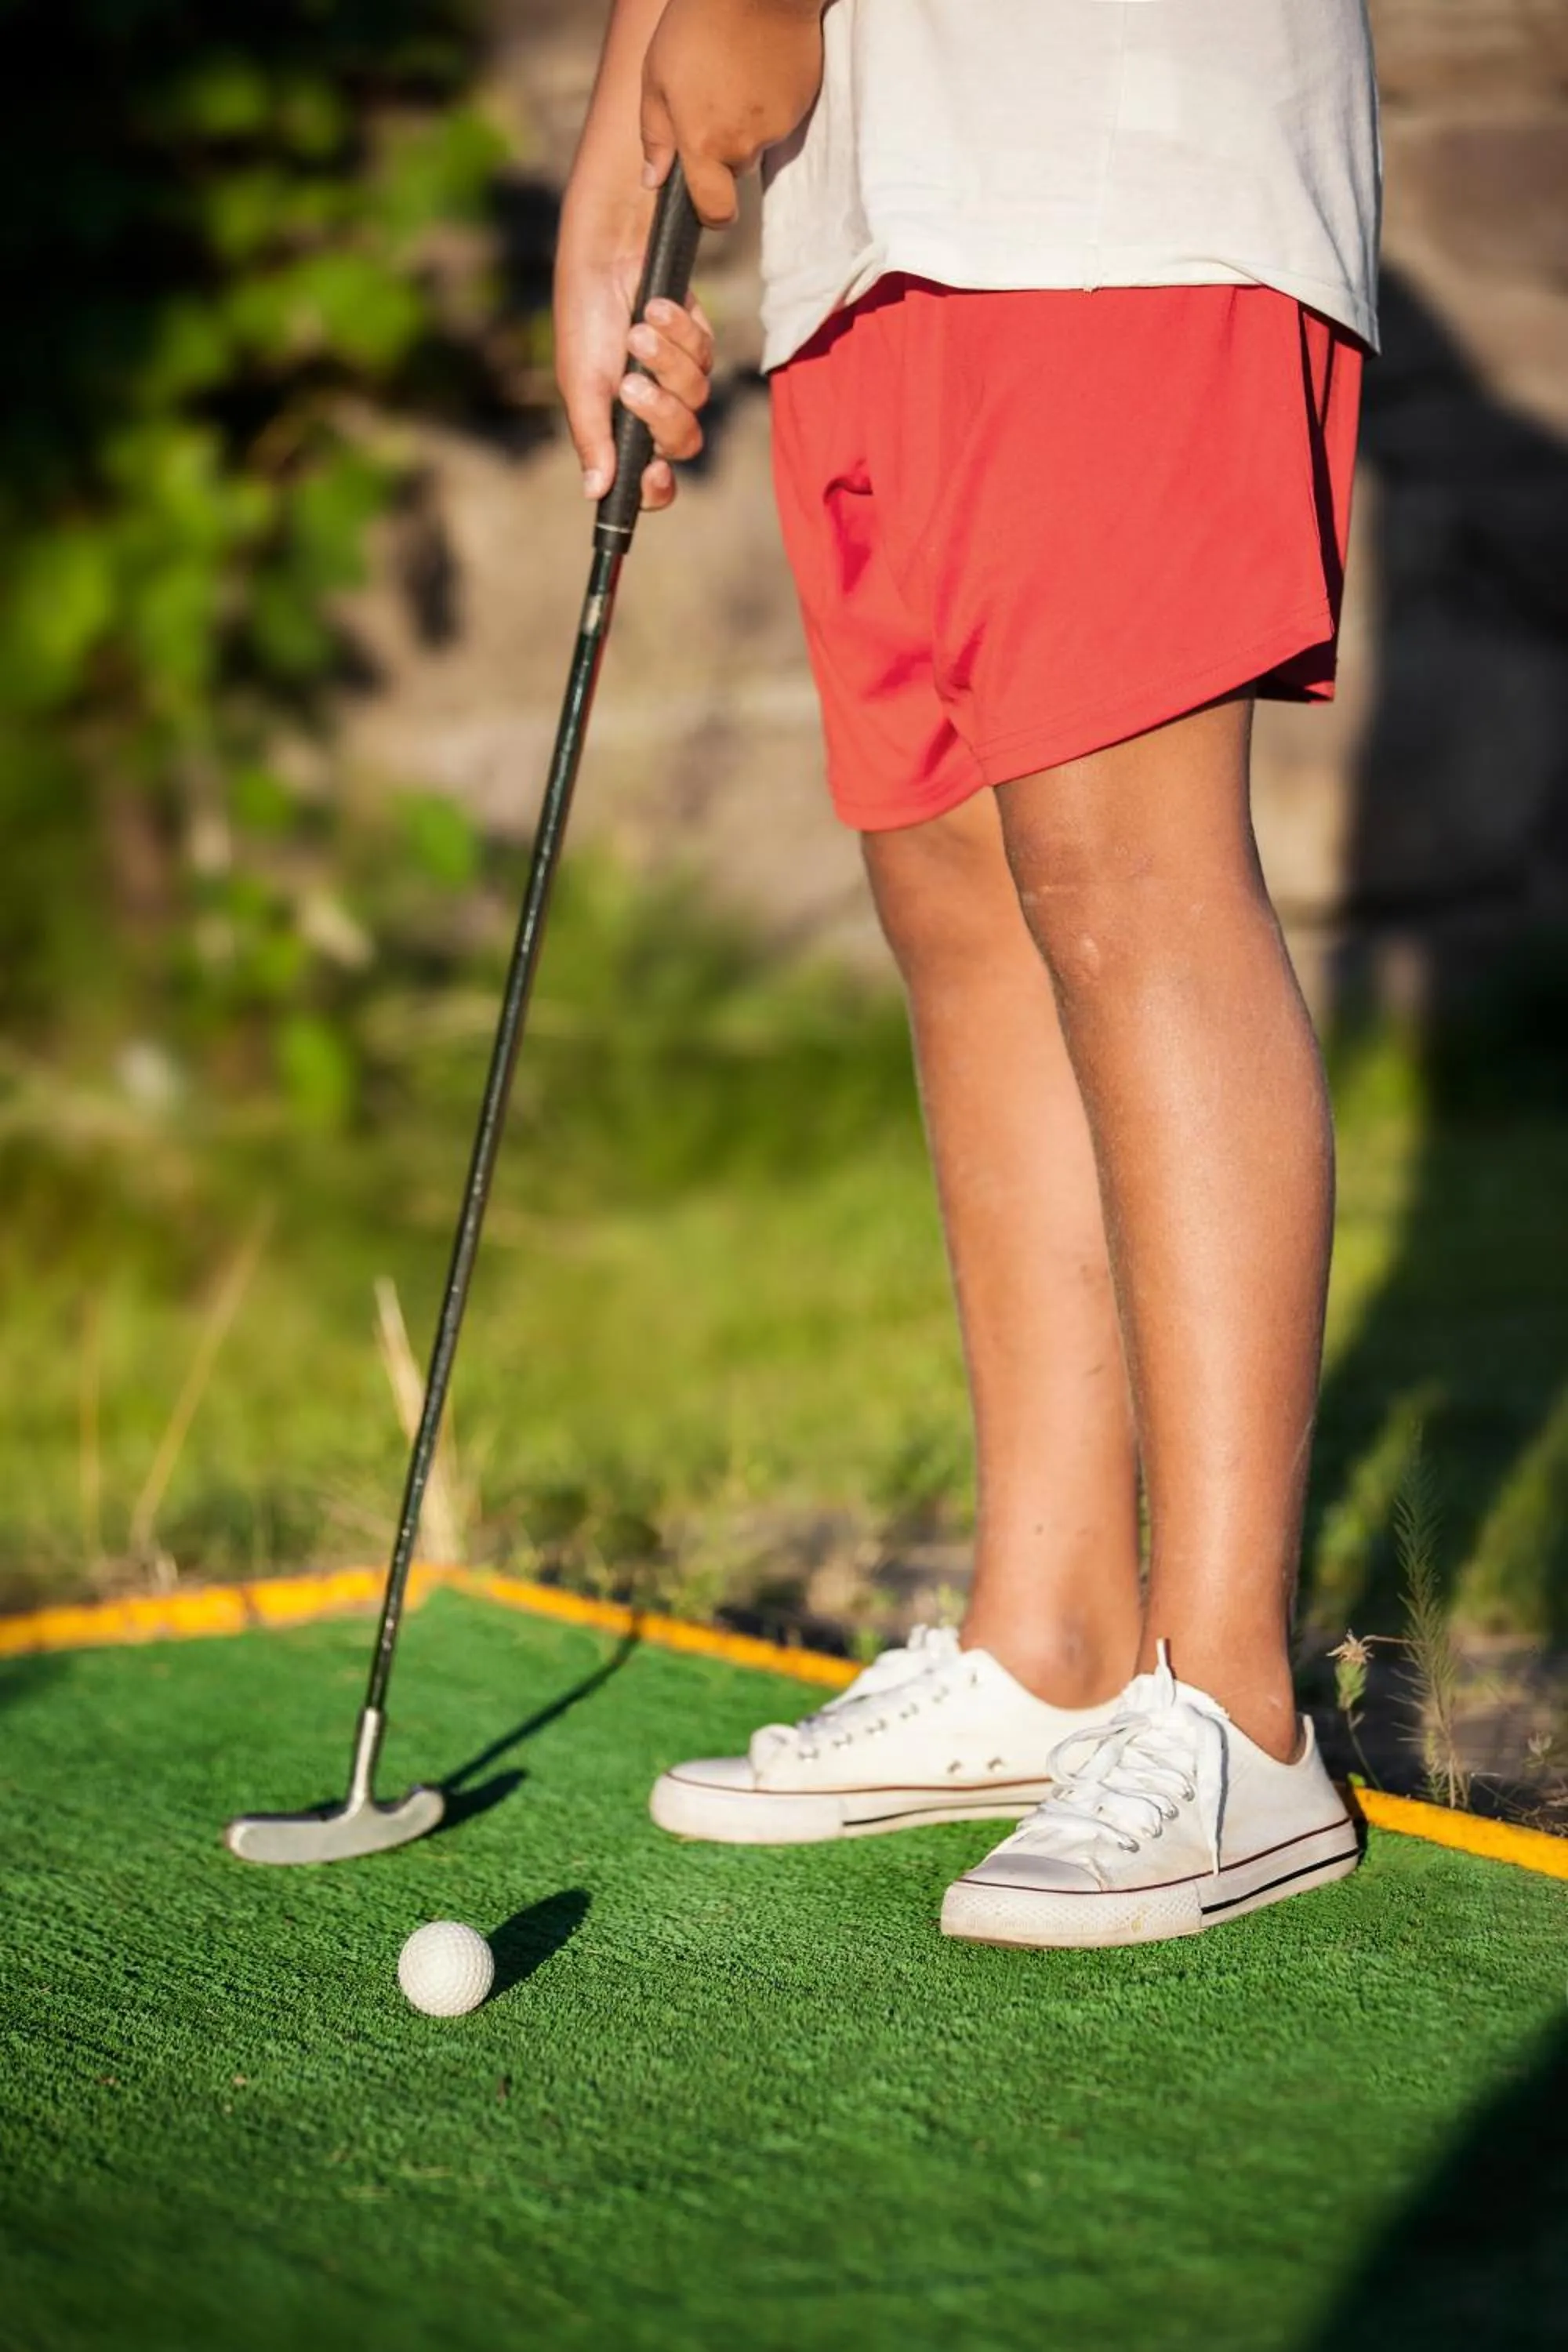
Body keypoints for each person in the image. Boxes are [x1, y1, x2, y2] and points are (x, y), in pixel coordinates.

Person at [554, 0, 1381, 1948]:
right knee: (955, 889)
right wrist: (619, 150)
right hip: (871, 209)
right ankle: (1055, 1638)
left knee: (1121, 870)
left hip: (1104, 145)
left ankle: (1239, 1714)